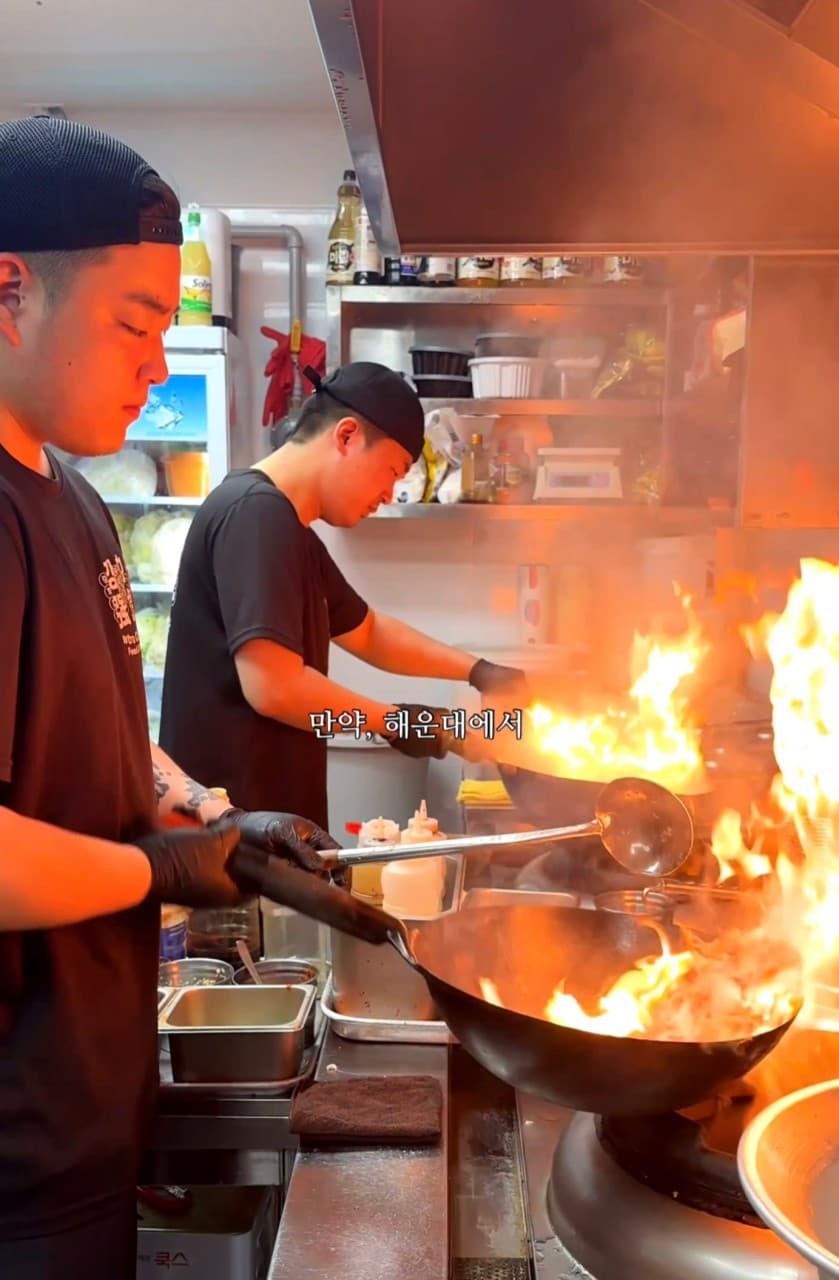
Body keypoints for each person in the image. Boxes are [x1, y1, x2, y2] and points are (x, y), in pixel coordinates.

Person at [0, 114, 336, 1278]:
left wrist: (184, 798)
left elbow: (88, 727)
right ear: (9, 290)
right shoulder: (252, 516)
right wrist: (174, 866)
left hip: (84, 1102)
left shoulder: (75, 497)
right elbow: (275, 682)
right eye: (134, 321)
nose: (157, 359)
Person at [159, 361, 530, 829]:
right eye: (391, 471)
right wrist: (412, 725)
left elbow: (368, 630)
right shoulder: (256, 515)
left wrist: (482, 672)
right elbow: (274, 687)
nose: (388, 493)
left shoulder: (291, 530)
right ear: (347, 436)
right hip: (228, 837)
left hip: (265, 828)